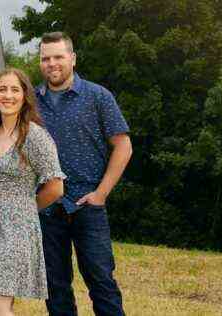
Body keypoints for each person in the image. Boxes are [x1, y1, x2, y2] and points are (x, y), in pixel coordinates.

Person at [35, 31, 132, 316]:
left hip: (87, 204)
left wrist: (101, 194)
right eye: (45, 58)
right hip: (47, 208)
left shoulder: (98, 96)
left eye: (58, 57)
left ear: (73, 59)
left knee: (101, 282)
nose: (52, 64)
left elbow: (123, 146)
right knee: (55, 287)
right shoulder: (30, 101)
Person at [0, 68, 66, 316]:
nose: (7, 95)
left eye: (14, 89)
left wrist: (25, 208)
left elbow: (56, 188)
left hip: (17, 229)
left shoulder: (35, 137)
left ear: (25, 96)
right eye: (2, 89)